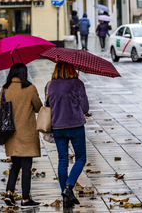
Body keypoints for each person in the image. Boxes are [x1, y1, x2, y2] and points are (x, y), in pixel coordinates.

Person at [0, 63, 43, 208]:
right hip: (27, 134)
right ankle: (25, 198)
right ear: (24, 74)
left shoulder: (5, 90)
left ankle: (9, 193)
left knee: (15, 165)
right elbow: (38, 108)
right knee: (26, 167)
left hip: (11, 133)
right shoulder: (30, 89)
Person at [45, 61, 89, 208]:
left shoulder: (50, 85)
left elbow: (47, 106)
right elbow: (85, 108)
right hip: (75, 126)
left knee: (62, 160)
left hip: (58, 127)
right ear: (72, 68)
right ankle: (68, 187)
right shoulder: (77, 83)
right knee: (81, 158)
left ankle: (66, 197)